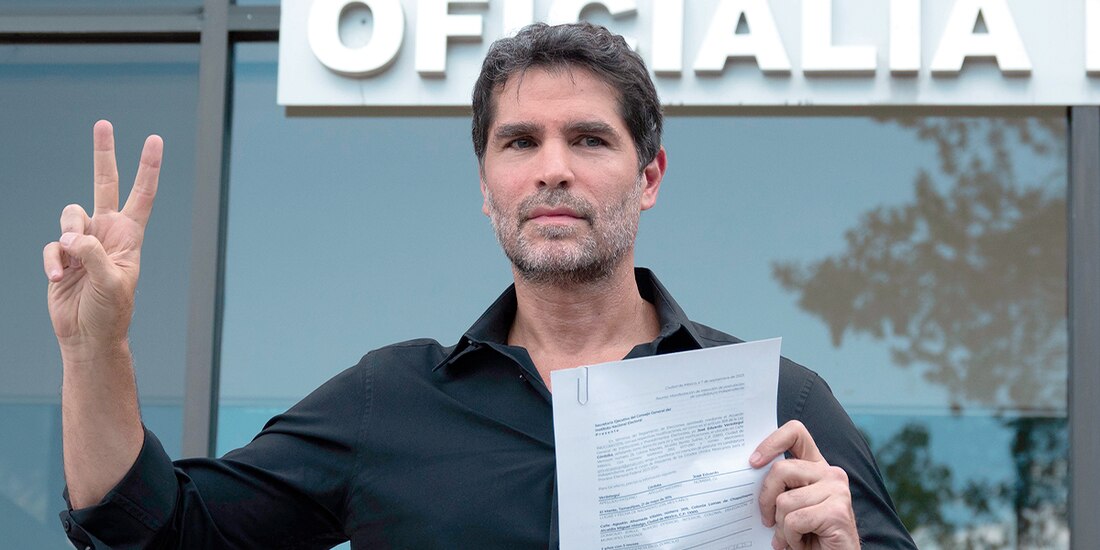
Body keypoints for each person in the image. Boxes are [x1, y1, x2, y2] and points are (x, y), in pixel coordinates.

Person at [43, 22, 915, 550]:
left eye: (589, 139)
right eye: (519, 143)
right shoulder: (389, 402)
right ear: (485, 182)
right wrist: (94, 350)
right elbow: (160, 534)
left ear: (649, 177)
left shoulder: (776, 403)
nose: (552, 171)